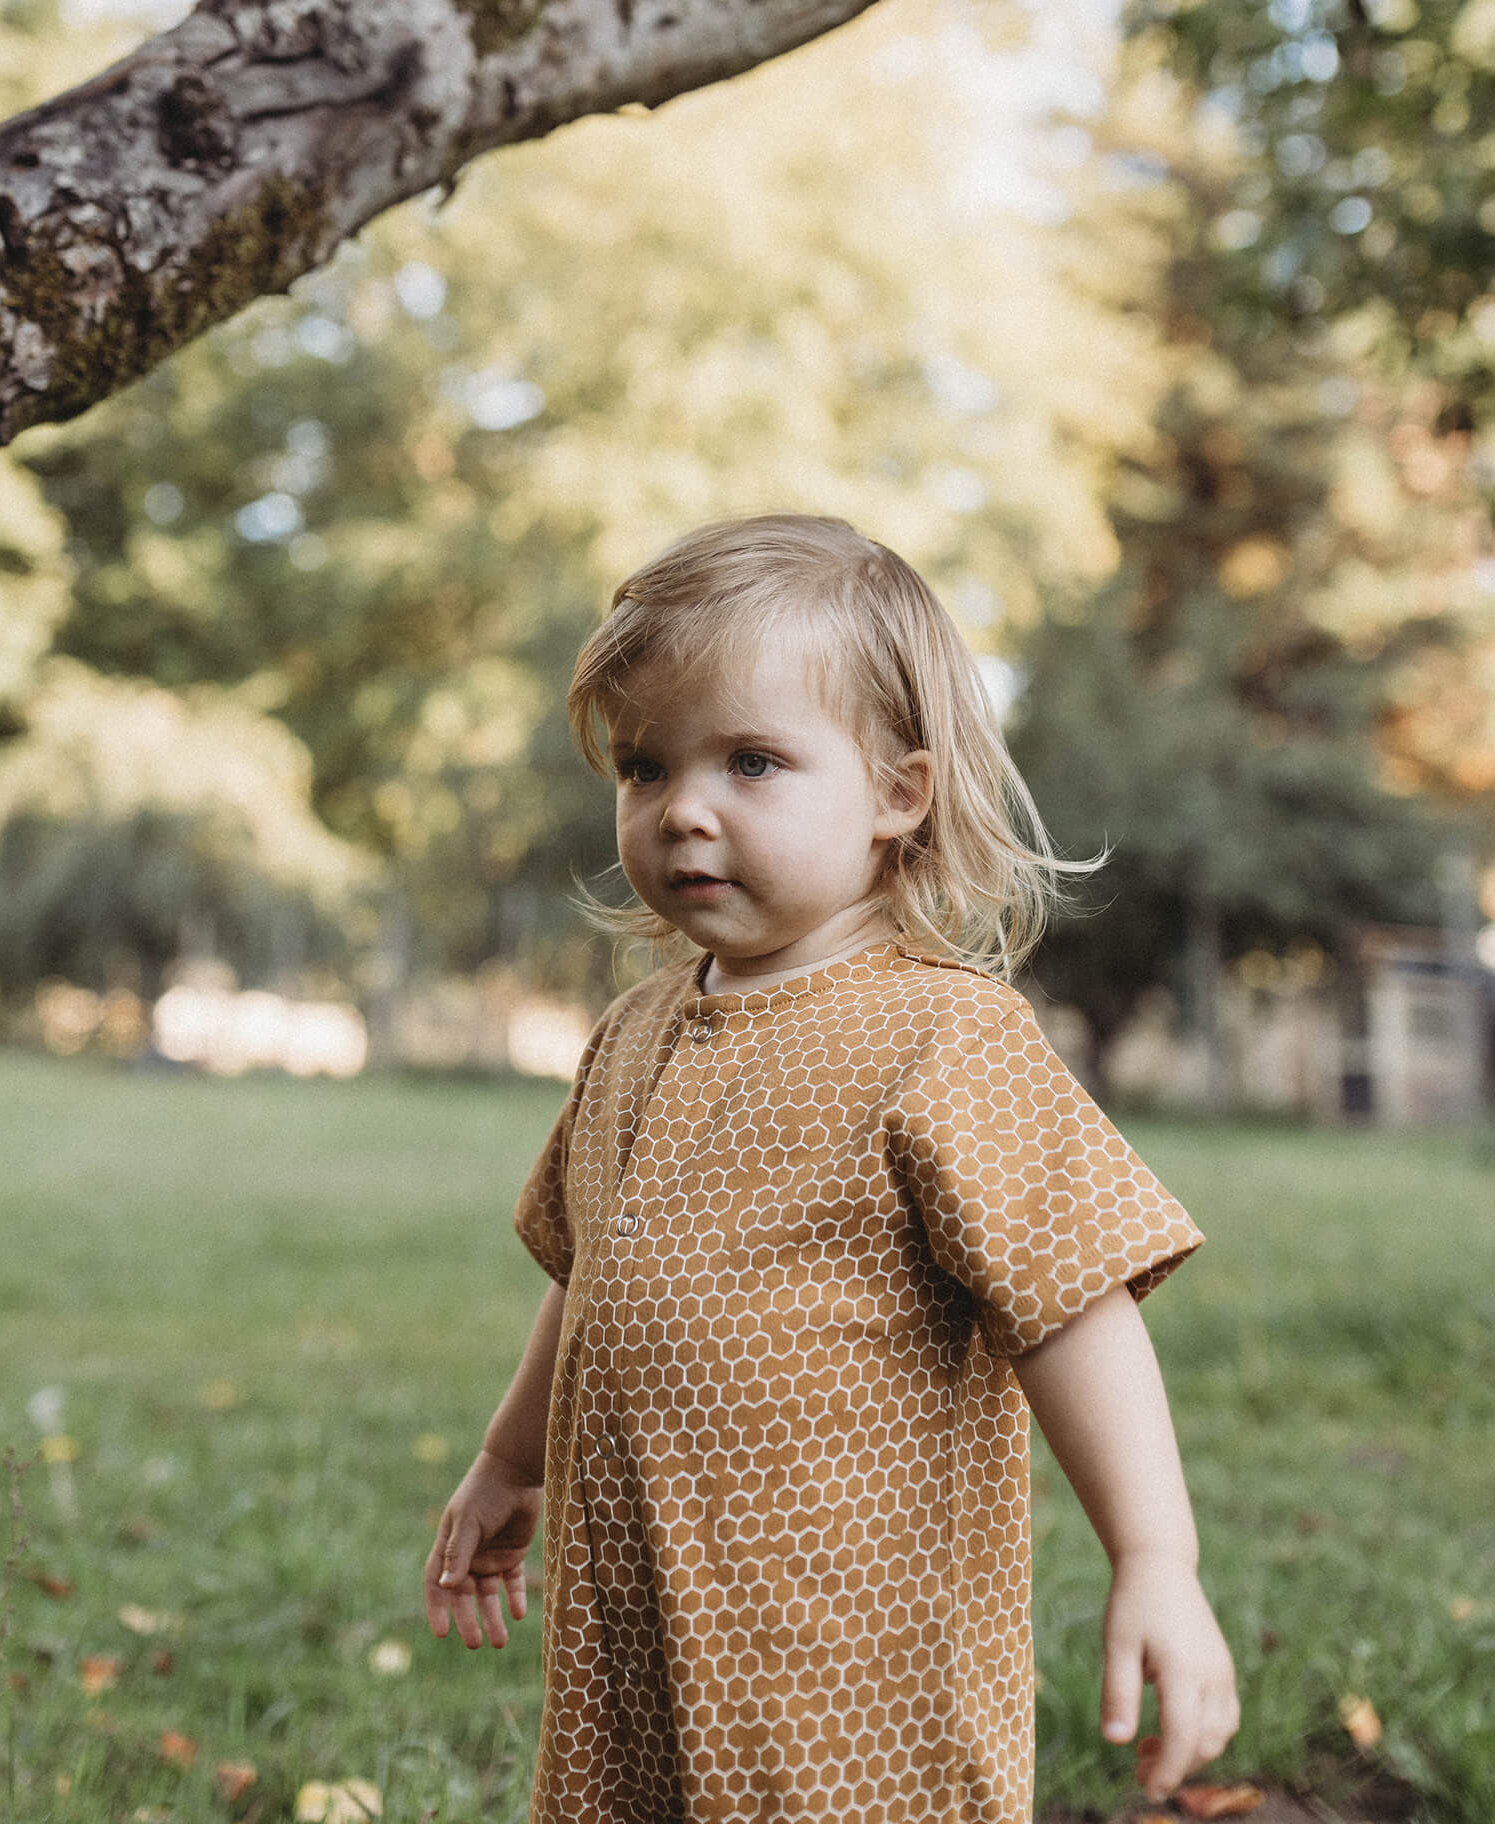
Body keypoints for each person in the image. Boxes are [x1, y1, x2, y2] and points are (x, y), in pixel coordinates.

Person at [422, 514, 1237, 1824]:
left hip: (848, 1662)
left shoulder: (943, 1035)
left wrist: (1156, 1558)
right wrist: (509, 1459)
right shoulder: (633, 1032)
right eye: (644, 767)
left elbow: (1072, 1303)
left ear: (897, 794)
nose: (683, 807)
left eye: (752, 760)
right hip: (636, 1632)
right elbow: (591, 1275)